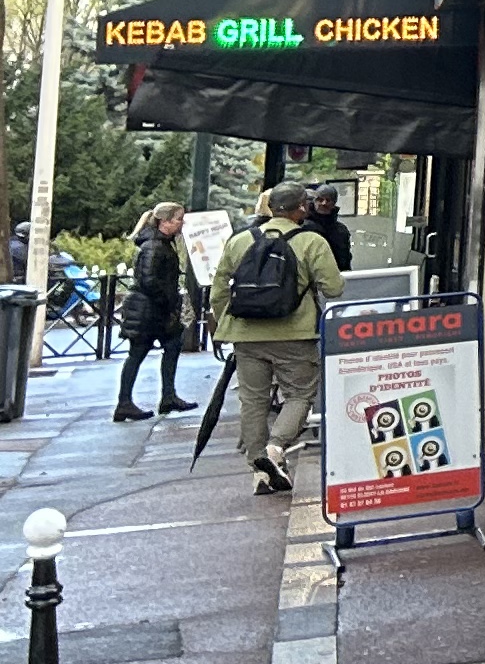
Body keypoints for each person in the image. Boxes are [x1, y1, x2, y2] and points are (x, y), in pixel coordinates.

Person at [216, 184, 344, 498]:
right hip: (295, 333)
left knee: (253, 401)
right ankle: (275, 450)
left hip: (246, 334)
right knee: (300, 394)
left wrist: (226, 324)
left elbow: (219, 290)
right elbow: (334, 288)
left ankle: (259, 472)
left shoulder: (240, 241)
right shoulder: (311, 241)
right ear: (301, 208)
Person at [111, 201, 199, 423]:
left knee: (169, 346)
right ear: (164, 221)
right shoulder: (154, 246)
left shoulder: (158, 243)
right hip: (150, 310)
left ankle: (165, 396)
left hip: (153, 309)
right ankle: (127, 402)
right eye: (178, 219)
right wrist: (168, 301)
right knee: (139, 353)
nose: (181, 223)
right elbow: (149, 280)